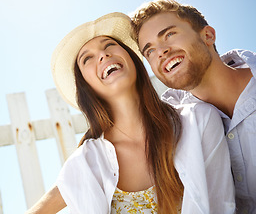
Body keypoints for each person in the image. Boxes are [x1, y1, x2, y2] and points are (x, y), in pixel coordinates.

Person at [26, 12, 235, 214]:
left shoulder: (198, 120)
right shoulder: (86, 161)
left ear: (133, 59)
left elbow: (220, 205)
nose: (103, 55)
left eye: (109, 45)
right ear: (85, 86)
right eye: (87, 59)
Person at [131, 0, 255, 213]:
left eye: (169, 34)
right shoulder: (171, 118)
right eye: (149, 51)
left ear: (207, 35)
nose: (160, 51)